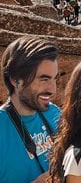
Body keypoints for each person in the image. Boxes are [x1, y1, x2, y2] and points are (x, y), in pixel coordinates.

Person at [0, 36, 60, 183]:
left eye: (55, 79)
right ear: (15, 80)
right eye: (44, 79)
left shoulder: (55, 114)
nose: (53, 89)